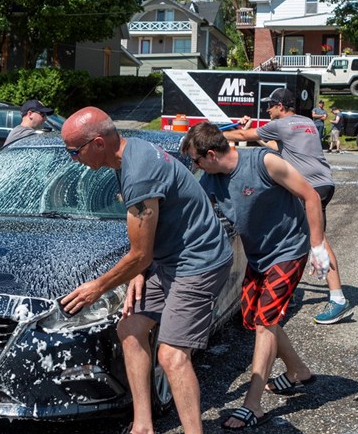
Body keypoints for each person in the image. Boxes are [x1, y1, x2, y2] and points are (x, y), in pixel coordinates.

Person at [59, 107, 233, 434]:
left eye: (74, 151)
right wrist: (139, 270)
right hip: (168, 260)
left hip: (198, 262)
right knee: (130, 329)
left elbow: (140, 254)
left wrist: (98, 287)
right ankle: (142, 426)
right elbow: (144, 243)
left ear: (98, 144)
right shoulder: (129, 152)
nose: (73, 158)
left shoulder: (139, 173)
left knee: (172, 356)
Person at [181, 123, 330, 429]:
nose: (195, 166)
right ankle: (297, 371)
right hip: (259, 256)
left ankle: (253, 405)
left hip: (289, 250)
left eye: (195, 160)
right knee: (256, 318)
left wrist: (317, 247)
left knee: (264, 323)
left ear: (211, 154)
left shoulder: (264, 162)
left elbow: (311, 196)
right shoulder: (210, 180)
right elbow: (190, 212)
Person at [223, 88, 352, 324]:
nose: (267, 110)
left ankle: (338, 299)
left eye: (270, 106)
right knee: (298, 238)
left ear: (280, 106)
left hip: (309, 189)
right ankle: (287, 289)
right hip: (324, 182)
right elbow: (280, 148)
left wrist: (217, 134)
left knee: (318, 242)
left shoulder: (280, 125)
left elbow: (242, 135)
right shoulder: (306, 122)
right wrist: (253, 135)